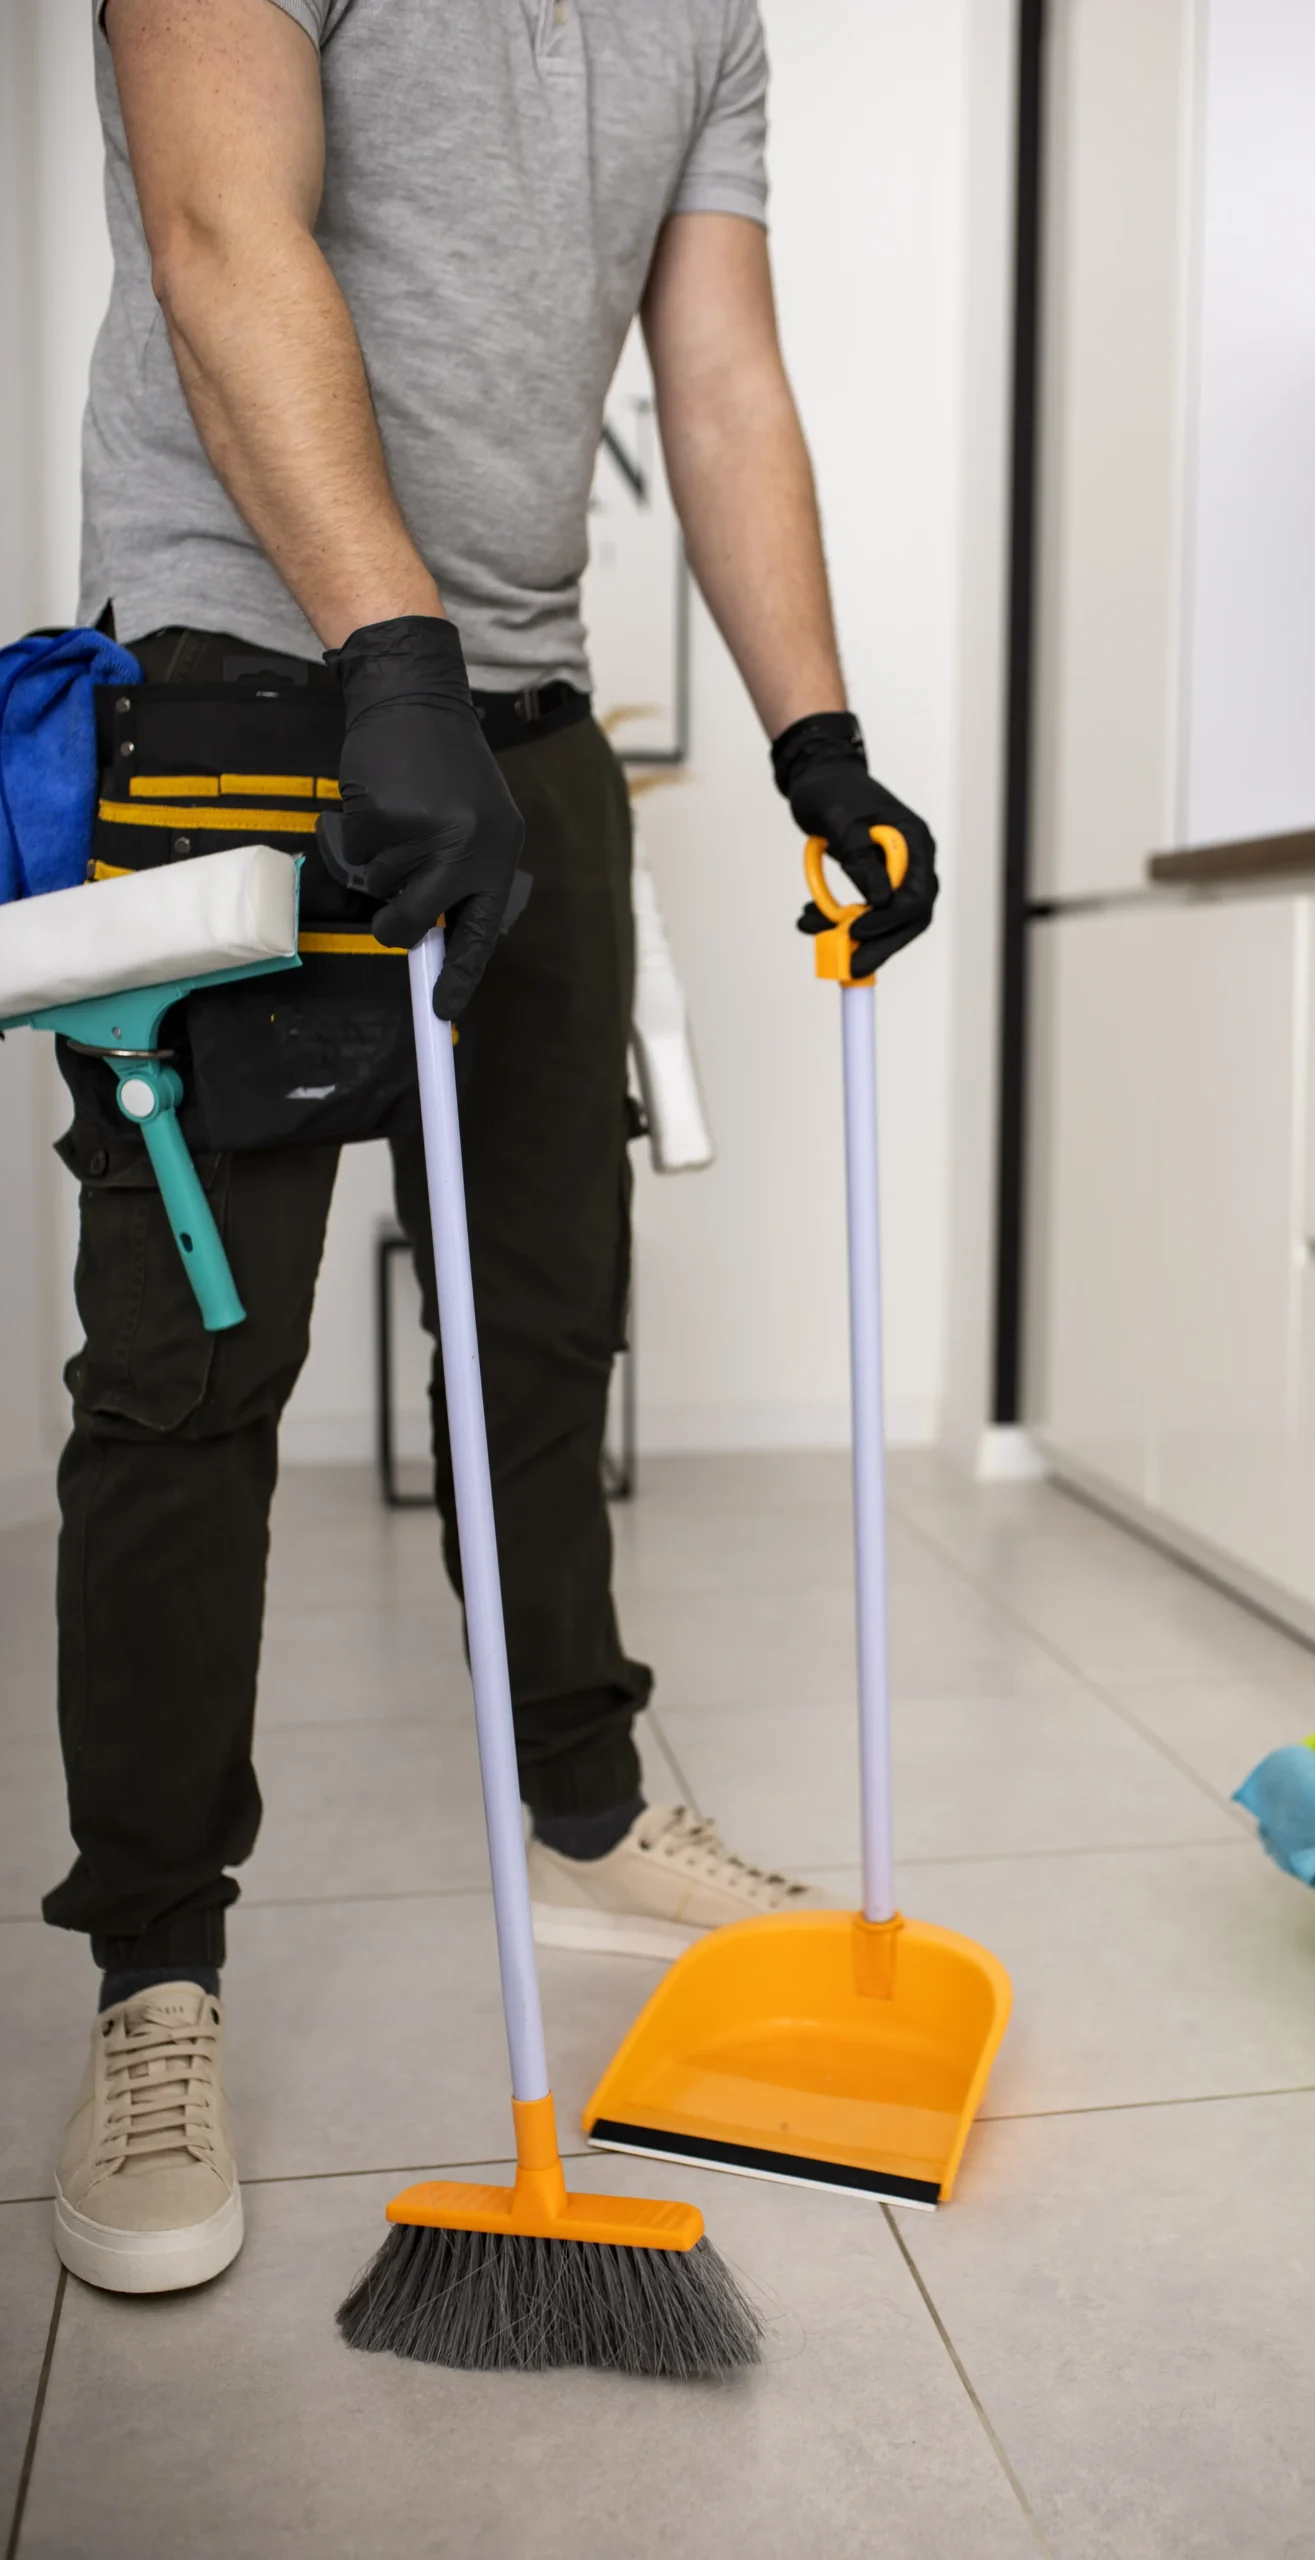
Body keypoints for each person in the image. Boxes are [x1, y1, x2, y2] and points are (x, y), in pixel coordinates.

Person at [48, 0, 938, 2300]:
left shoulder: (707, 17)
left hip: (522, 724)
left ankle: (583, 1788)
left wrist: (815, 734)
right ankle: (155, 1973)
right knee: (186, 1370)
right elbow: (220, 223)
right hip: (242, 688)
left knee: (541, 1319)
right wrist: (389, 652)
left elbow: (718, 373)